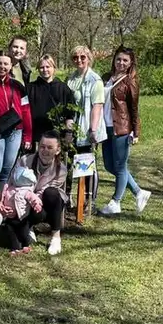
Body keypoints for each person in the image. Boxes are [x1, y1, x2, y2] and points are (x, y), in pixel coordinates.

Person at [98, 47, 151, 216]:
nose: (121, 63)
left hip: (121, 127)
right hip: (104, 127)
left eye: (125, 61)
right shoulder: (106, 77)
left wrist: (136, 132)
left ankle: (116, 202)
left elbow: (134, 109)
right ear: (114, 60)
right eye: (119, 59)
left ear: (130, 64)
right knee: (108, 165)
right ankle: (138, 192)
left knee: (120, 166)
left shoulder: (130, 82)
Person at [1, 131, 68, 256]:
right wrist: (6, 201)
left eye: (49, 147)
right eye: (42, 146)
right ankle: (27, 227)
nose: (45, 150)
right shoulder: (25, 160)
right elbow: (12, 182)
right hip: (22, 201)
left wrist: (30, 198)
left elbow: (43, 192)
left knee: (51, 193)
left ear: (57, 150)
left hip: (44, 203)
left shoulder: (61, 170)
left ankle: (56, 237)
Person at [66, 45, 106, 219]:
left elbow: (97, 106)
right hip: (73, 128)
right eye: (75, 58)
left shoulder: (95, 80)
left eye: (83, 57)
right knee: (68, 164)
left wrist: (93, 130)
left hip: (88, 128)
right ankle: (67, 198)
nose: (79, 60)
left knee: (87, 165)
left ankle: (89, 200)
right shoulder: (71, 79)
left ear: (89, 58)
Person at [0, 50, 32, 190]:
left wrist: (28, 136)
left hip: (15, 131)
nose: (2, 66)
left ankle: (0, 199)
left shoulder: (18, 86)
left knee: (7, 169)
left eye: (5, 63)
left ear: (11, 65)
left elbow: (26, 110)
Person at [27, 54, 76, 148]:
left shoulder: (63, 88)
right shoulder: (31, 88)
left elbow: (70, 114)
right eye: (41, 67)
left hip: (57, 134)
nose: (45, 70)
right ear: (37, 69)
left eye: (48, 67)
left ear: (54, 68)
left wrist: (69, 132)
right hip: (36, 135)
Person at [0, 167, 42, 256]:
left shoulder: (26, 191)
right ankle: (14, 248)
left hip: (22, 217)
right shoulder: (9, 188)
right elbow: (2, 196)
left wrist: (37, 205)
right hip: (10, 216)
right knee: (11, 232)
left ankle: (26, 245)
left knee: (23, 232)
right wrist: (1, 204)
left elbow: (34, 198)